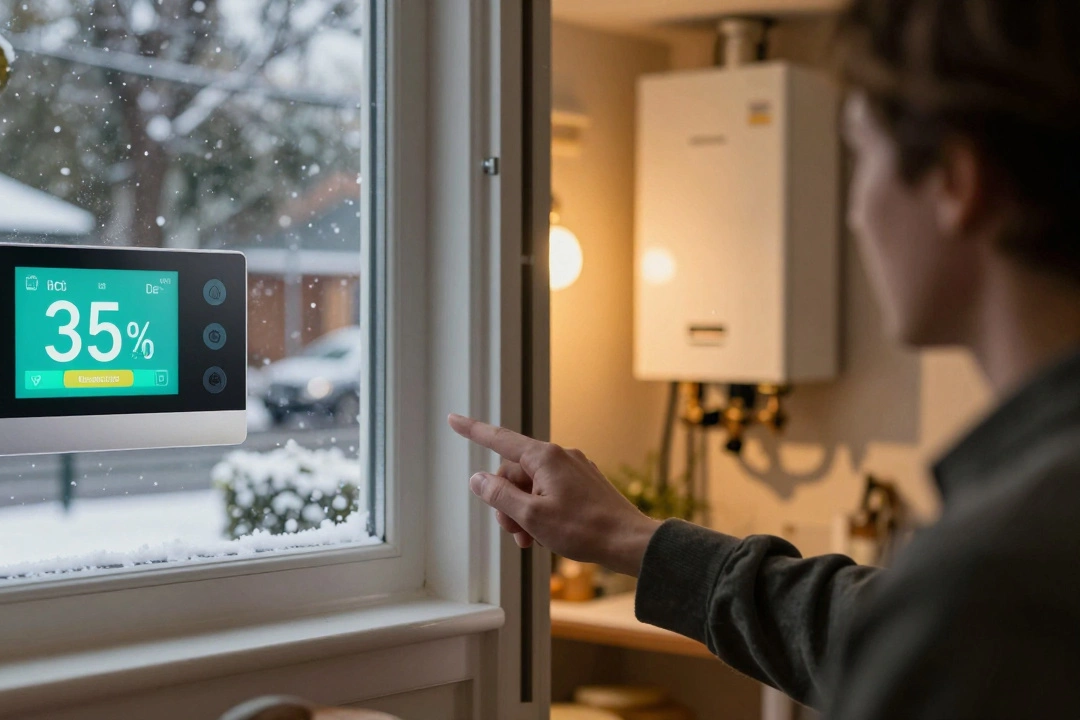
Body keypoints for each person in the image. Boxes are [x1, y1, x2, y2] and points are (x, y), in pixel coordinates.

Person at [449, 0, 1080, 716]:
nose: (855, 212)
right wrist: (632, 537)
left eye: (861, 157)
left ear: (957, 182)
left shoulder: (1003, 571)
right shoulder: (1002, 574)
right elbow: (867, 626)